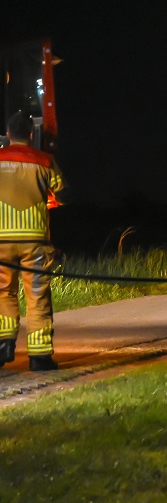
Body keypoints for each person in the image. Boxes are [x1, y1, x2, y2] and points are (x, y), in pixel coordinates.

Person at [0, 112, 64, 371]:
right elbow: (63, 194)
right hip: (35, 242)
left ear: (7, 134)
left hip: (1, 241)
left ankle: (4, 344)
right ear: (30, 134)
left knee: (3, 292)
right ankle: (39, 356)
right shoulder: (44, 161)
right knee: (37, 296)